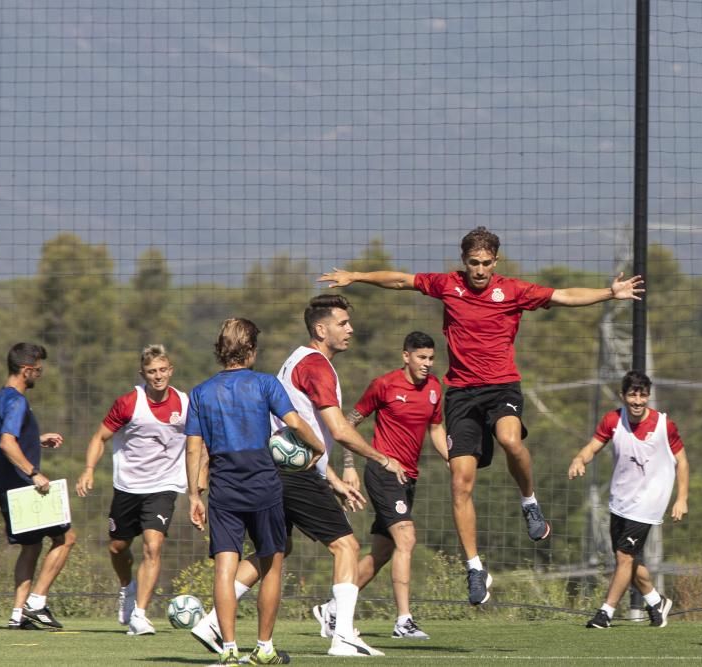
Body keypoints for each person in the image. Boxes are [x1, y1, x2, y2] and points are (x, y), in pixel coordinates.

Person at [319, 226, 644, 605]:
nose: (479, 270)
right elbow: (401, 281)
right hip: (461, 395)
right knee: (460, 481)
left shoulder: (513, 291)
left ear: (496, 261)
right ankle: (475, 567)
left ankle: (529, 502)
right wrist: (356, 276)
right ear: (464, 262)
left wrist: (609, 292)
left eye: (486, 264)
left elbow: (564, 295)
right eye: (473, 263)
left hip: (502, 388)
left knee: (510, 439)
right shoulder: (447, 285)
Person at [190, 295, 401, 658]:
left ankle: (213, 623)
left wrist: (330, 476)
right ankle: (342, 634)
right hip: (288, 474)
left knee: (275, 550)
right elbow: (330, 429)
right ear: (321, 329)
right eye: (343, 323)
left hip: (269, 472)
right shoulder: (316, 366)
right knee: (346, 546)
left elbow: (296, 432)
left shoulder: (294, 360)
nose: (350, 329)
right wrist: (382, 458)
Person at [185, 318, 325, 665]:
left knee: (224, 568)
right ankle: (264, 648)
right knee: (272, 562)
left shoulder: (201, 392)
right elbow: (294, 423)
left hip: (224, 489)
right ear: (250, 350)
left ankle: (229, 652)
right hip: (263, 484)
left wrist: (193, 496)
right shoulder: (265, 384)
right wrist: (317, 447)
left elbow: (192, 448)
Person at [313, 331, 449, 641]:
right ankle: (403, 620)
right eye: (421, 358)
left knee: (382, 552)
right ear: (406, 356)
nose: (427, 364)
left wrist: (452, 459)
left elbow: (437, 429)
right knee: (407, 538)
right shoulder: (384, 385)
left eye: (430, 358)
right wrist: (349, 468)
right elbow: (348, 424)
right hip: (382, 471)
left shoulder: (434, 389)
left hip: (408, 478)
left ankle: (332, 609)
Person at [75, 344, 188, 636]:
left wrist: (199, 480)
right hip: (128, 487)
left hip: (163, 486)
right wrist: (88, 470)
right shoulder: (128, 403)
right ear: (143, 374)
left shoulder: (186, 404)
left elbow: (200, 444)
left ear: (171, 370)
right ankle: (127, 588)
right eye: (152, 372)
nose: (158, 376)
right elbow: (99, 437)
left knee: (153, 546)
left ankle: (139, 614)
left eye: (163, 370)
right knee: (117, 547)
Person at [568, 370, 688, 630]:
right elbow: (592, 447)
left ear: (648, 396)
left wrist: (682, 498)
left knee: (624, 557)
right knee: (628, 561)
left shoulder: (664, 425)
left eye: (642, 395)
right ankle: (656, 602)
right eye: (632, 395)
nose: (637, 401)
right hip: (620, 501)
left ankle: (605, 613)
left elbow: (682, 461)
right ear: (623, 396)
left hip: (648, 503)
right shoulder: (612, 420)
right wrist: (579, 459)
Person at [0, 343, 76, 630]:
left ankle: (18, 614)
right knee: (67, 538)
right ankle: (36, 603)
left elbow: (10, 436)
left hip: (4, 486)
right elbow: (6, 442)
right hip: (22, 487)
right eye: (38, 370)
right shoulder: (17, 401)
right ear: (26, 370)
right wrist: (34, 472)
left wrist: (36, 439)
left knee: (31, 546)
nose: (39, 375)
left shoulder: (1, 398)